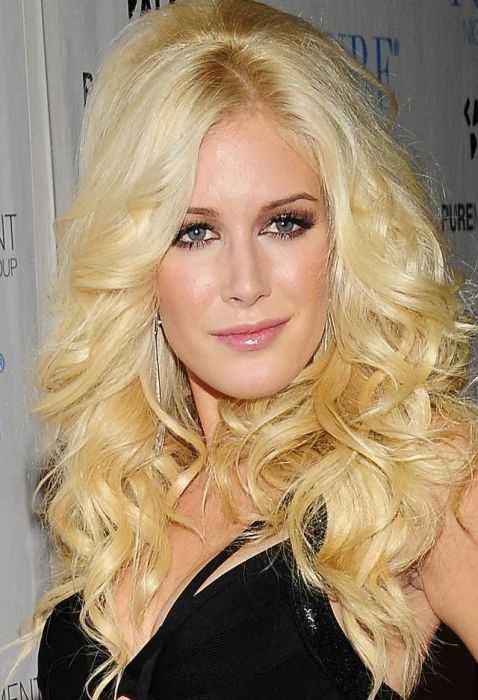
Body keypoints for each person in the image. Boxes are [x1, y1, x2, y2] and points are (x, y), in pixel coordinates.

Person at [21, 0, 478, 698]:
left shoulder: (418, 477)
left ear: (344, 237)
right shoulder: (126, 497)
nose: (245, 282)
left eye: (284, 223)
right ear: (139, 260)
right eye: (194, 232)